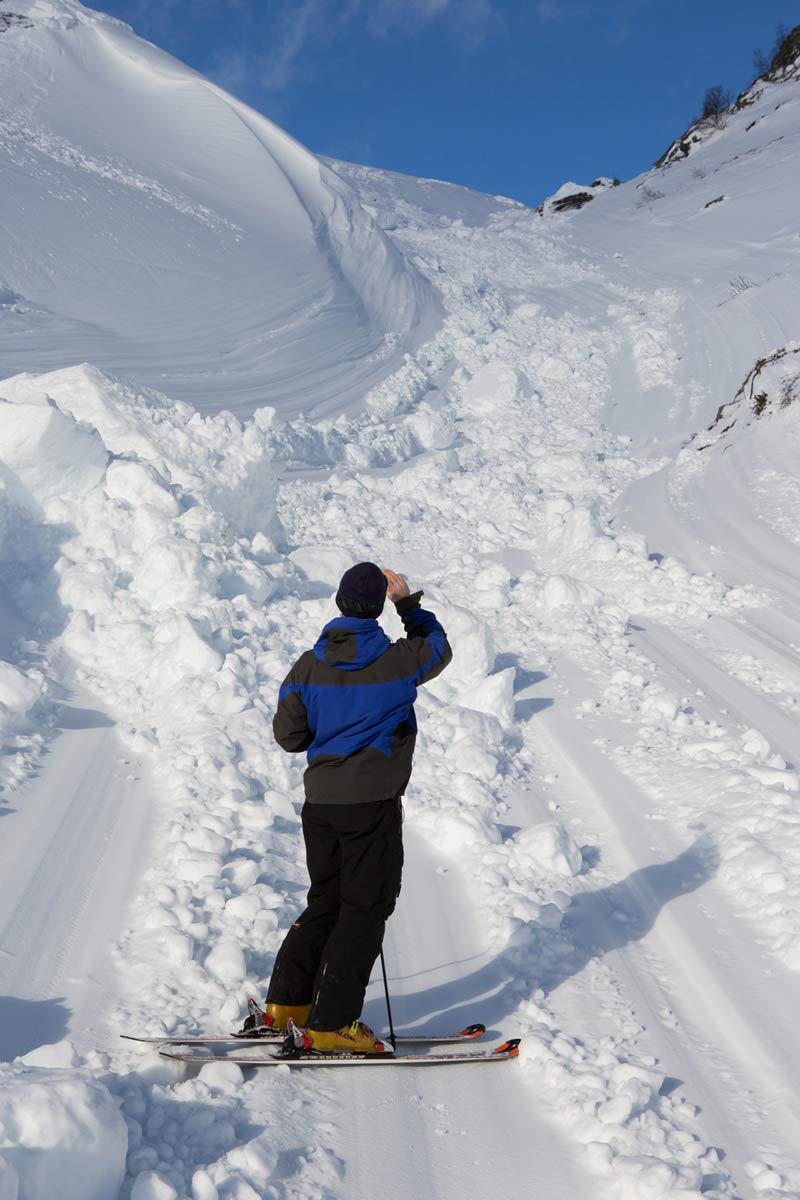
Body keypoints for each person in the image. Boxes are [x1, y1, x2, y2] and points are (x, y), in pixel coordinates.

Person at [251, 562, 452, 1054]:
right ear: (377, 606)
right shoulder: (399, 661)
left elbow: (289, 736)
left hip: (321, 804)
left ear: (340, 603)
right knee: (365, 908)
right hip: (371, 805)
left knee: (327, 901)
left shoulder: (307, 666)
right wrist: (409, 605)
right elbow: (439, 648)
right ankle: (333, 1024)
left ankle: (288, 1006)